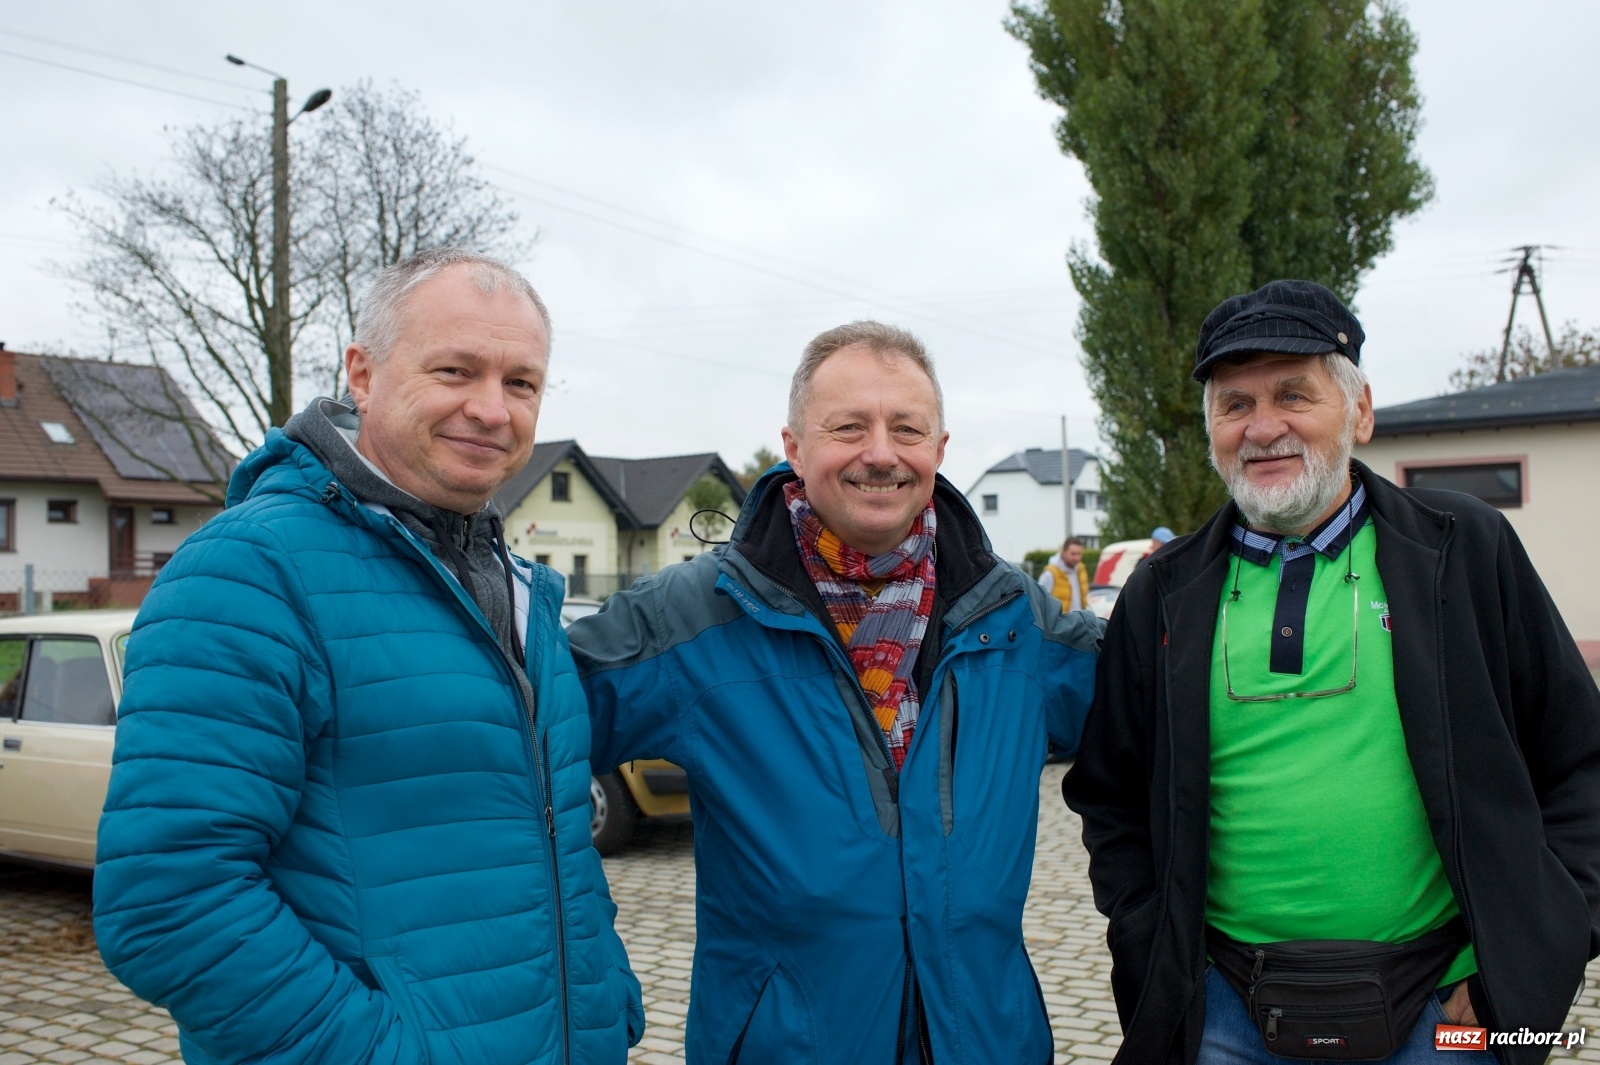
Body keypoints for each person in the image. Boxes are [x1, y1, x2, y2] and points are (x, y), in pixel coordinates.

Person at [94, 249, 643, 1065]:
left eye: (520, 382)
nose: (491, 409)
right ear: (362, 372)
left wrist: (605, 1001)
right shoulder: (249, 572)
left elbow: (548, 835)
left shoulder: (520, 588)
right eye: (456, 369)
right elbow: (170, 900)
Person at [1064, 279, 1600, 1065]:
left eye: (1293, 393)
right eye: (1234, 403)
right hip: (1223, 1017)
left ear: (1359, 410)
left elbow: (1581, 764)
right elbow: (1110, 795)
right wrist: (1155, 949)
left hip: (1451, 1016)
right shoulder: (1162, 590)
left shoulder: (1465, 551)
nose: (1264, 426)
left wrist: (1533, 959)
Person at [567, 320, 1102, 1064]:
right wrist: (583, 951)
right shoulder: (693, 614)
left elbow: (1161, 710)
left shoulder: (1012, 616)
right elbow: (510, 745)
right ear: (794, 446)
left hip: (986, 1040)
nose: (880, 453)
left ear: (939, 450)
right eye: (849, 427)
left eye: (906, 429)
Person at [1039, 535, 1089, 610]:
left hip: (1079, 620)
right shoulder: (1050, 574)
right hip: (1059, 621)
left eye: (1079, 554)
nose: (1076, 558)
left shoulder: (1081, 570)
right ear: (1064, 552)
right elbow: (1039, 601)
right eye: (1073, 554)